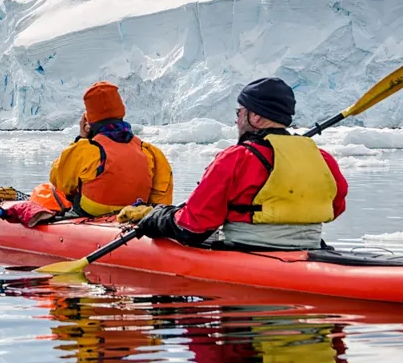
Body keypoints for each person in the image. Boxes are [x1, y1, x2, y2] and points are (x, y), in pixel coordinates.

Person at [129, 77, 349, 250]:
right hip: (310, 248)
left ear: (256, 117)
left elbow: (192, 227)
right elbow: (336, 207)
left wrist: (157, 217)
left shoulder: (236, 158)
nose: (236, 120)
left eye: (239, 112)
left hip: (247, 250)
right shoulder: (322, 158)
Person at [32, 81, 173, 217]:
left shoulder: (87, 149)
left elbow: (60, 180)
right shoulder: (149, 151)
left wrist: (82, 137)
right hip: (135, 214)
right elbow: (162, 198)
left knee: (47, 191)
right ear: (121, 112)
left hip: (90, 214)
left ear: (90, 120)